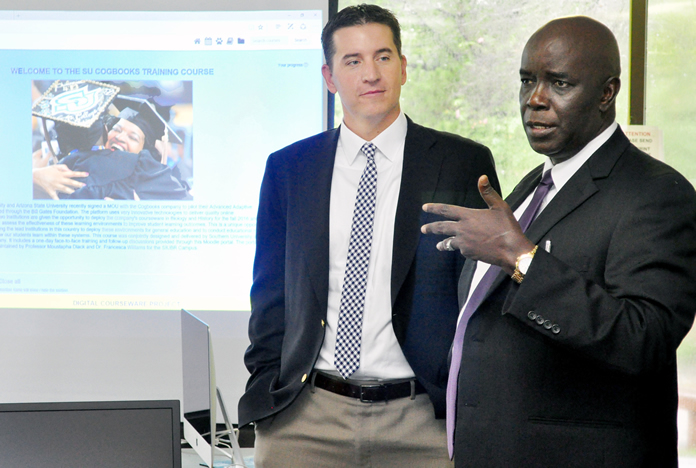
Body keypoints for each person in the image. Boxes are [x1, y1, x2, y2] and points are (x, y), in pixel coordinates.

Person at [421, 16, 696, 467]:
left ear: (607, 93)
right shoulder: (533, 186)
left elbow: (642, 338)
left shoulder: (655, 193)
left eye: (559, 84)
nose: (535, 100)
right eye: (528, 80)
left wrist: (522, 258)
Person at [238, 4, 499, 467]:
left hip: (424, 421)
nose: (371, 73)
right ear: (329, 76)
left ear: (403, 67)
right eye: (352, 61)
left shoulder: (462, 163)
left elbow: (481, 295)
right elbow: (271, 294)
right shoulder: (289, 169)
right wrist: (266, 387)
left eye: (382, 56)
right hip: (306, 420)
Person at [54, 100, 190, 200]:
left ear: (145, 152)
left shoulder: (152, 179)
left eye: (133, 138)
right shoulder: (81, 162)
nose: (120, 138)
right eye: (116, 129)